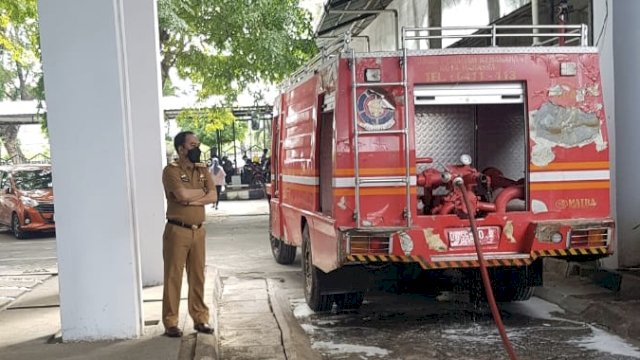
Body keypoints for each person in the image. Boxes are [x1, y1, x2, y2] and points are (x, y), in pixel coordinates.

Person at [161, 131, 217, 338]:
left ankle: (200, 319)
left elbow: (213, 195)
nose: (197, 148)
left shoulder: (202, 170)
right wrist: (198, 195)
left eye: (197, 144)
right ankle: (171, 322)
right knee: (173, 277)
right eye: (193, 145)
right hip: (177, 230)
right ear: (181, 149)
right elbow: (182, 195)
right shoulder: (171, 171)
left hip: (198, 231)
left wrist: (190, 199)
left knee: (198, 276)